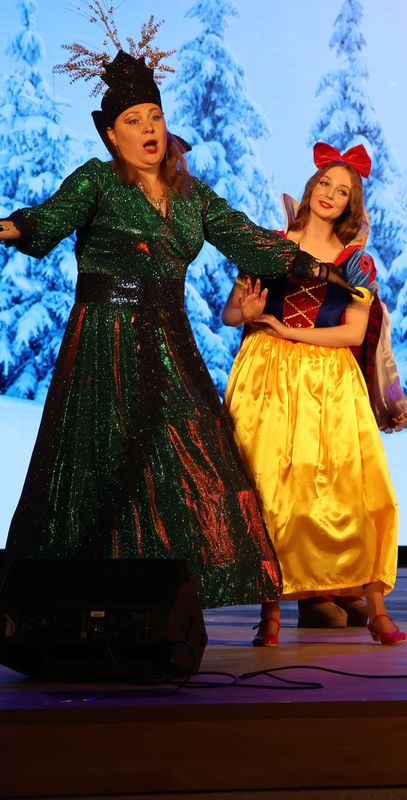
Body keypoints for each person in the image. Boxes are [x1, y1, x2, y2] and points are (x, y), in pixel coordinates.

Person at [0, 50, 345, 608]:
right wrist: (13, 228)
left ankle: (165, 599)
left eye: (154, 117)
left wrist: (312, 266)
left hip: (170, 340)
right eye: (133, 121)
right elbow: (47, 218)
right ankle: (70, 603)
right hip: (105, 339)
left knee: (200, 454)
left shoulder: (191, 195)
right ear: (112, 136)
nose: (148, 129)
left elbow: (241, 235)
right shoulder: (97, 182)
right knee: (99, 465)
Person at [222, 142, 404, 646]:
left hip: (328, 377)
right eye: (325, 183)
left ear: (350, 204)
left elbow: (353, 332)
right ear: (311, 187)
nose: (330, 195)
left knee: (356, 489)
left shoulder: (356, 263)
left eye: (342, 191)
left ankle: (376, 608)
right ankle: (271, 614)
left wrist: (290, 330)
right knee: (271, 490)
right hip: (267, 376)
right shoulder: (269, 245)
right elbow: (231, 314)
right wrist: (247, 311)